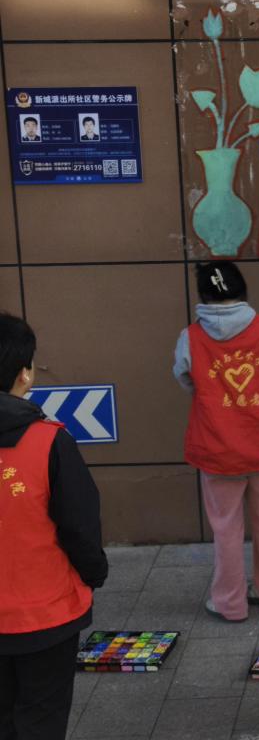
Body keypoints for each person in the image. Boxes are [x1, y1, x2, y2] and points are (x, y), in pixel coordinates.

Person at [0, 313, 108, 739]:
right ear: (24, 374)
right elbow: (80, 526)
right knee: (41, 718)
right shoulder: (49, 442)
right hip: (44, 616)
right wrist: (94, 572)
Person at [173, 261, 259, 622]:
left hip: (216, 447)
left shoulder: (191, 336)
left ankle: (230, 603)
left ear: (203, 295)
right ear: (242, 289)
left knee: (225, 528)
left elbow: (185, 378)